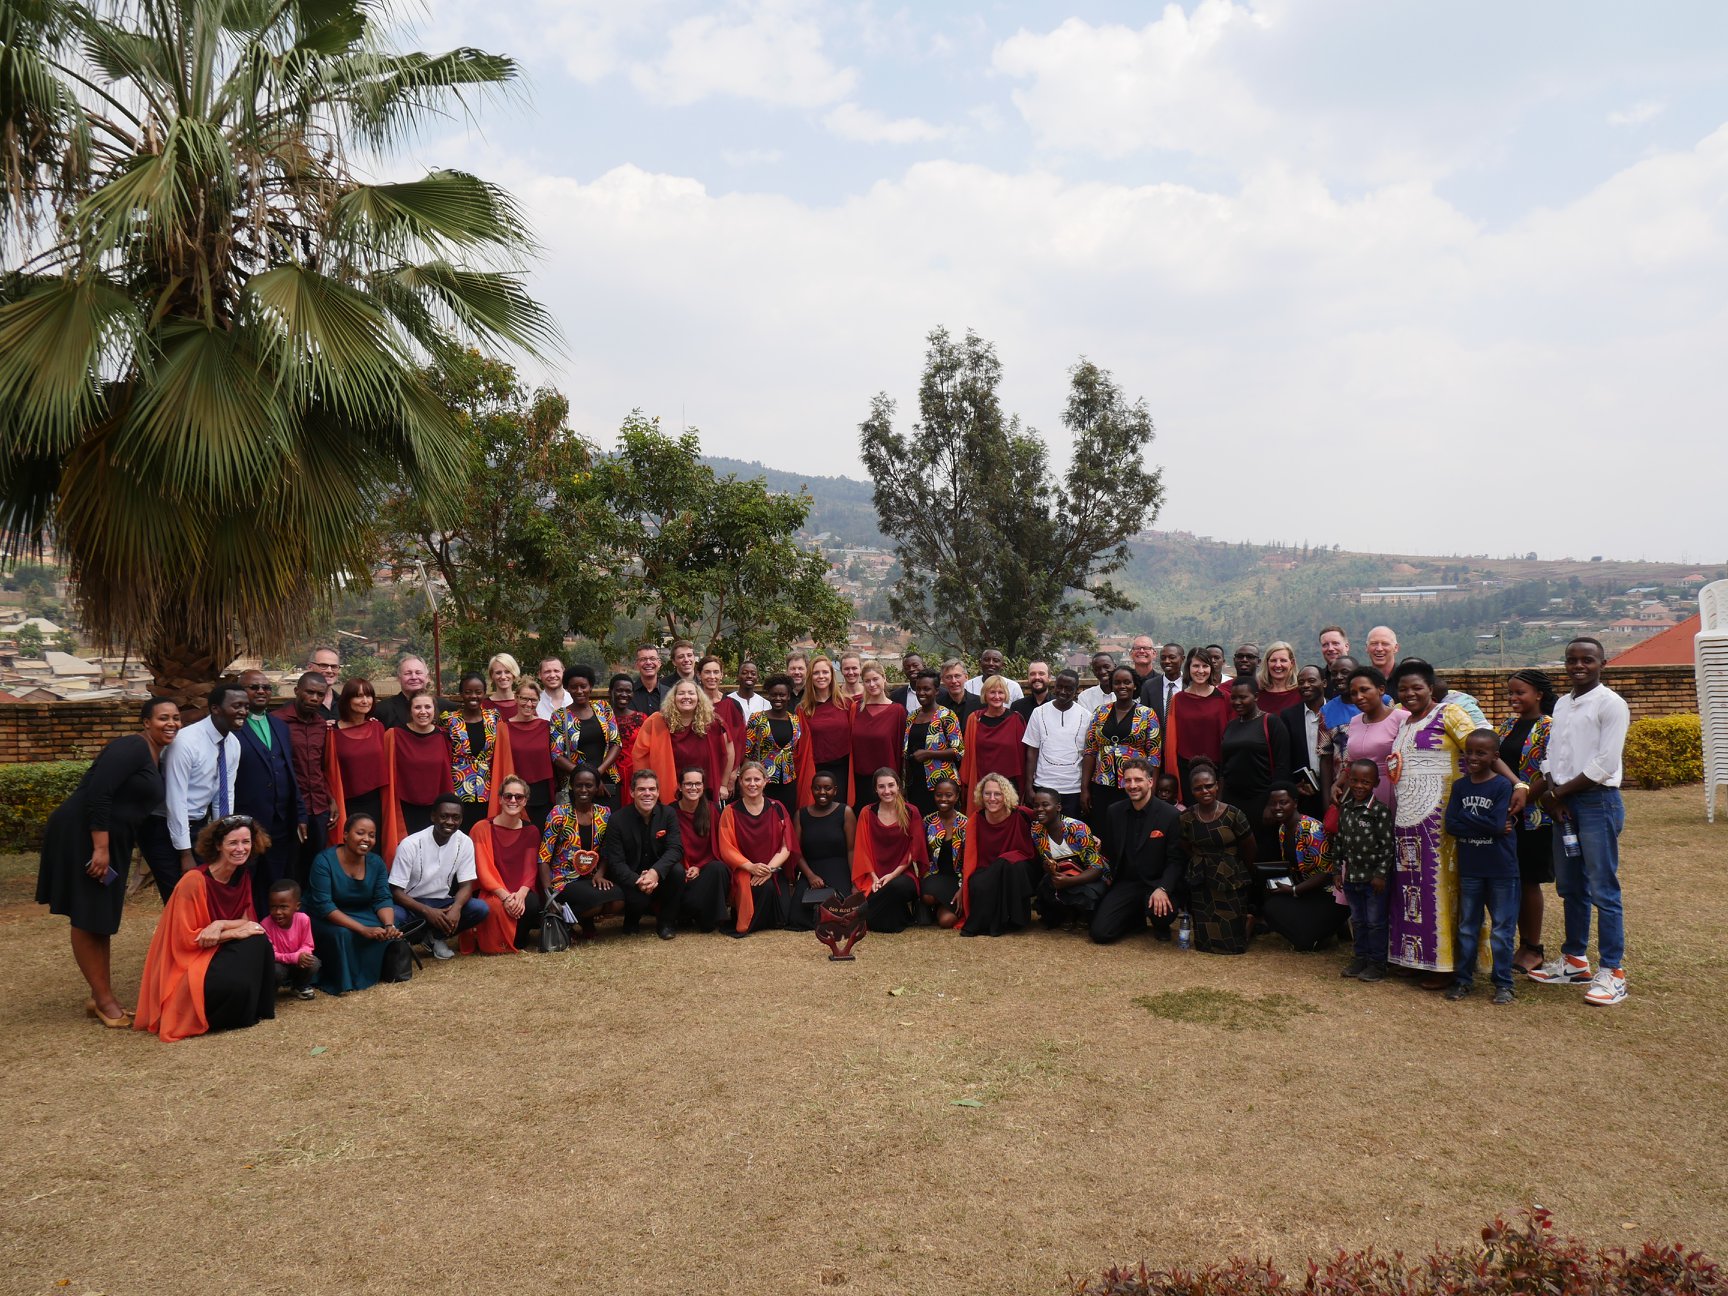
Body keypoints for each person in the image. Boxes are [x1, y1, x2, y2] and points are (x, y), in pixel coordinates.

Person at [36, 697, 182, 1026]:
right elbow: (99, 792)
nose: (171, 723)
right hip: (84, 836)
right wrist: (100, 848)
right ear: (146, 722)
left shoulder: (156, 754)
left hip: (111, 841)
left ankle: (101, 994)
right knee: (88, 914)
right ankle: (104, 1001)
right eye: (162, 718)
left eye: (176, 718)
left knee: (102, 915)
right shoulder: (131, 746)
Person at [1386, 659, 1525, 989]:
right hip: (1408, 822)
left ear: (1431, 688)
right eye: (1403, 689)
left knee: (1440, 892)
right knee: (1412, 893)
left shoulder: (1449, 713)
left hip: (1442, 822)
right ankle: (1418, 958)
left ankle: (1446, 966)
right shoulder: (1404, 723)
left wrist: (1517, 784)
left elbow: (1484, 750)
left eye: (1417, 687)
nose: (1410, 694)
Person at [1528, 637, 1630, 1006]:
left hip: (1596, 802)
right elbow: (1553, 754)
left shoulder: (1611, 704)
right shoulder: (1563, 703)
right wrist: (1552, 793)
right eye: (1572, 660)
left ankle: (1613, 972)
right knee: (1570, 886)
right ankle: (1574, 960)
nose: (1579, 666)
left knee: (1603, 888)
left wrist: (1560, 793)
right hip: (1563, 802)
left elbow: (1604, 763)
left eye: (1588, 660)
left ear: (1603, 663)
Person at [134, 814, 276, 1042]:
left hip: (219, 948)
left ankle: (251, 1009)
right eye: (233, 843)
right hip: (191, 959)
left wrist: (220, 925)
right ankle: (214, 1014)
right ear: (218, 845)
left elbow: (247, 920)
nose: (241, 848)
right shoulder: (194, 881)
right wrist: (232, 932)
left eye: (246, 842)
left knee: (258, 940)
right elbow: (187, 940)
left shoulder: (242, 874)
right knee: (240, 968)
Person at [1443, 731, 1520, 1005]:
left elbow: (1500, 825)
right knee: (1467, 927)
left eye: (1481, 753)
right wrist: (1485, 821)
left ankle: (1503, 983)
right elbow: (1451, 824)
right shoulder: (1462, 786)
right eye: (1469, 752)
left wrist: (1467, 817)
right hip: (1471, 867)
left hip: (1501, 868)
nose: (1473, 757)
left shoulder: (1501, 786)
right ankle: (1463, 980)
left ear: (1495, 757)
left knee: (1502, 929)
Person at [158, 681, 248, 903]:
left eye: (245, 706)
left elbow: (224, 795)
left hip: (198, 825)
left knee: (204, 894)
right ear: (215, 708)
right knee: (180, 898)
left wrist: (224, 837)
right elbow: (175, 799)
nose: (243, 711)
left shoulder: (233, 744)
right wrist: (185, 853)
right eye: (236, 705)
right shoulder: (186, 743)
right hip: (166, 828)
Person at [1495, 669, 1557, 974]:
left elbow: (1552, 771)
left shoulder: (1549, 727)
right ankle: (1513, 943)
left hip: (1534, 815)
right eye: (1511, 693)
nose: (1514, 698)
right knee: (1511, 879)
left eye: (1520, 692)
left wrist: (1525, 795)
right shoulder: (1508, 725)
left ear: (1539, 695)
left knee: (1529, 879)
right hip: (1506, 812)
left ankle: (1532, 947)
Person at [1089, 758, 1185, 944]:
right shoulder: (1114, 812)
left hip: (1157, 883)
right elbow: (1110, 850)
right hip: (1127, 883)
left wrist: (1163, 888)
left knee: (1162, 913)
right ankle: (1135, 921)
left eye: (1138, 780)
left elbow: (1176, 860)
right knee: (1100, 933)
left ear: (1150, 782)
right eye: (1128, 780)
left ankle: (1161, 925)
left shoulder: (1171, 815)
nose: (1133, 785)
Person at [307, 811, 402, 994]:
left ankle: (378, 972)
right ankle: (342, 980)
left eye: (372, 835)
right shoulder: (323, 861)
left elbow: (382, 898)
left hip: (361, 911)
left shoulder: (376, 863)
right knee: (343, 934)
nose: (366, 839)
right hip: (325, 917)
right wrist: (362, 929)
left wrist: (388, 924)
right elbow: (324, 906)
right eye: (360, 833)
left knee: (390, 927)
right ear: (345, 835)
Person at [235, 670, 303, 913]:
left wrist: (300, 814)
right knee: (247, 880)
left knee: (276, 879)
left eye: (266, 687)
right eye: (254, 687)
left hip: (280, 821)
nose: (261, 691)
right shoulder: (232, 728)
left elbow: (290, 772)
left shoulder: (279, 725)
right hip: (246, 822)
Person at [389, 794, 488, 960]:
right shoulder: (410, 844)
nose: (450, 822)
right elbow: (396, 891)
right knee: (391, 916)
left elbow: (466, 886)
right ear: (433, 816)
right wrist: (427, 911)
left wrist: (456, 908)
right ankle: (411, 941)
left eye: (456, 817)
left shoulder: (464, 842)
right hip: (410, 904)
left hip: (442, 903)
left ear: (462, 819)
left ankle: (436, 937)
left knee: (480, 908)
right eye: (444, 816)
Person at [1175, 760, 1256, 954]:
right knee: (1204, 941)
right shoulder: (1186, 817)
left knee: (1232, 942)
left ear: (1217, 786)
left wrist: (1241, 869)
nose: (1205, 791)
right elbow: (1185, 845)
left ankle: (1248, 924)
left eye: (1209, 786)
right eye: (1198, 788)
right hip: (1201, 877)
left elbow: (1250, 847)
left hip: (1230, 876)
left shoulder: (1233, 814)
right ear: (1191, 790)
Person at [1258, 783, 1348, 951]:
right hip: (1306, 892)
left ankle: (1324, 932)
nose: (1277, 807)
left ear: (1295, 803)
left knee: (1303, 939)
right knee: (1271, 907)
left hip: (1329, 894)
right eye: (1273, 803)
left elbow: (1327, 873)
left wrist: (1294, 890)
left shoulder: (1311, 829)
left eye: (1283, 802)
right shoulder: (1283, 829)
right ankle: (1317, 933)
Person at [1329, 759, 1394, 981]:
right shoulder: (1345, 809)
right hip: (1352, 877)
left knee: (1375, 923)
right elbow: (1339, 842)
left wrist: (1380, 875)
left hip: (1373, 881)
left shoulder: (1380, 811)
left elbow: (1387, 847)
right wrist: (1337, 870)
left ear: (1375, 783)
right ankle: (1360, 958)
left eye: (1365, 782)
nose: (1358, 786)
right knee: (1357, 920)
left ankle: (1377, 964)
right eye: (1354, 780)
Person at [604, 767, 687, 939]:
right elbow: (616, 862)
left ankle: (666, 923)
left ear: (658, 792)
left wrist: (654, 873)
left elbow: (675, 849)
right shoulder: (617, 820)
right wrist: (638, 880)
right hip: (631, 877)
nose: (647, 793)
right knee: (638, 900)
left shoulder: (668, 814)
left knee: (677, 872)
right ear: (632, 792)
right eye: (642, 789)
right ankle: (632, 920)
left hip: (658, 874)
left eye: (652, 789)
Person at [540, 766, 620, 940]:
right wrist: (548, 895)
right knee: (596, 902)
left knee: (618, 900)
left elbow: (607, 849)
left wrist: (600, 874)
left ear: (597, 787)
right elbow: (544, 857)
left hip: (591, 878)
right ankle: (564, 919)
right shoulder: (558, 814)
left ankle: (584, 922)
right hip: (564, 879)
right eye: (579, 785)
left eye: (589, 785)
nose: (583, 790)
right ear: (572, 786)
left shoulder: (604, 814)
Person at [467, 774, 544, 953]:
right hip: (492, 890)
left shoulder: (531, 831)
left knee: (532, 903)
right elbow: (483, 870)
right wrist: (506, 897)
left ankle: (518, 938)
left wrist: (521, 894)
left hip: (519, 890)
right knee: (493, 907)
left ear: (525, 801)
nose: (513, 800)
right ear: (500, 799)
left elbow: (530, 869)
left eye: (519, 797)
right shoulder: (481, 828)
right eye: (508, 796)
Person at [275, 672, 336, 892]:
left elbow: (321, 766)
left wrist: (330, 798)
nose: (314, 698)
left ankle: (313, 916)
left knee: (316, 864)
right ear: (297, 691)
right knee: (290, 865)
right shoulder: (278, 722)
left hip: (318, 807)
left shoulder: (321, 725)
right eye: (309, 692)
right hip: (290, 808)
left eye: (320, 694)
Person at [957, 772, 1036, 937]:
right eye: (987, 793)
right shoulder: (976, 820)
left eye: (997, 794)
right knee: (978, 883)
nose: (992, 798)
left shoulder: (1022, 814)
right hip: (985, 868)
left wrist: (1084, 834)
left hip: (1019, 869)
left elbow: (1050, 819)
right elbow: (968, 857)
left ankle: (1016, 920)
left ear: (1006, 795)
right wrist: (963, 885)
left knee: (1009, 864)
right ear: (981, 795)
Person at [717, 762, 792, 936]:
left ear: (765, 781)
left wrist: (768, 870)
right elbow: (726, 847)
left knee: (785, 917)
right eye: (747, 779)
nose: (752, 784)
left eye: (757, 779)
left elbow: (786, 845)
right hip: (745, 871)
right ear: (740, 782)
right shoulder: (730, 811)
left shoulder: (777, 807)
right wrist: (751, 867)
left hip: (772, 869)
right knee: (763, 890)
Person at [1219, 679, 1290, 860]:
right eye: (1233, 698)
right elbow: (1224, 766)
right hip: (1233, 800)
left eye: (1243, 697)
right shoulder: (1231, 725)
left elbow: (1282, 766)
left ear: (1256, 697)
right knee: (1235, 851)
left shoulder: (1271, 722)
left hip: (1261, 800)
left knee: (1263, 852)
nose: (1237, 702)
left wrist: (1271, 805)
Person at [1080, 666, 1159, 827]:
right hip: (1102, 785)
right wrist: (1085, 789)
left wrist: (1152, 791)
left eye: (1127, 682)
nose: (1122, 686)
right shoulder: (1100, 712)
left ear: (1135, 685)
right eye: (1117, 683)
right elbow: (1090, 751)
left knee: (1132, 830)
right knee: (1104, 830)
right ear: (1112, 686)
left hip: (1134, 785)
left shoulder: (1147, 714)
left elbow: (1155, 757)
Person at [633, 679, 733, 806]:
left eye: (691, 693)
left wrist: (724, 784)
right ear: (673, 698)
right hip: (667, 792)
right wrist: (646, 787)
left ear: (699, 698)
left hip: (704, 790)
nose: (686, 697)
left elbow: (729, 752)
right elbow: (640, 756)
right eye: (681, 693)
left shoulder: (712, 722)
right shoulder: (657, 722)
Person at [852, 768, 927, 933]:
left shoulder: (911, 811)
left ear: (899, 786)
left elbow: (914, 851)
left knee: (896, 887)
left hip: (901, 875)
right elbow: (862, 848)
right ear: (875, 789)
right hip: (874, 876)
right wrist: (874, 878)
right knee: (889, 924)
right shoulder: (867, 812)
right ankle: (903, 916)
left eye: (891, 785)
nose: (887, 791)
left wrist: (892, 876)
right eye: (881, 787)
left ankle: (854, 917)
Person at [443, 672, 515, 832]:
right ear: (461, 693)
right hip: (458, 787)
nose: (473, 696)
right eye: (468, 692)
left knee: (484, 831)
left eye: (478, 691)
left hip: (487, 788)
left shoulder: (494, 717)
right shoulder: (450, 720)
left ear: (484, 693)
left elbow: (502, 750)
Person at [382, 691, 453, 852]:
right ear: (410, 710)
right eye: (417, 707)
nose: (423, 711)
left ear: (434, 710)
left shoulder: (444, 736)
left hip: (435, 810)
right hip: (404, 808)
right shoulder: (394, 735)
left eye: (428, 706)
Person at [788, 769, 857, 932]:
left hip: (839, 869)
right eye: (817, 788)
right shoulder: (801, 815)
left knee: (842, 912)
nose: (822, 792)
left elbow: (852, 850)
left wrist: (854, 882)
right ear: (811, 789)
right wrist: (810, 876)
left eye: (827, 788)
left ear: (835, 790)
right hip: (811, 870)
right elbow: (796, 852)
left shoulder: (845, 812)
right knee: (797, 917)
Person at [1028, 788, 1108, 930]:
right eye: (1036, 805)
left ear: (1058, 807)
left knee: (1087, 893)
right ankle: (1069, 913)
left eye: (1045, 805)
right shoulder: (1036, 830)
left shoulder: (1077, 828)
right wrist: (1049, 868)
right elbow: (1046, 861)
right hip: (1063, 873)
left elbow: (1097, 868)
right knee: (1045, 887)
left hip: (1088, 875)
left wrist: (1069, 881)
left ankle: (1083, 913)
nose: (1039, 809)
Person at [327, 677, 391, 843]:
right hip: (345, 803)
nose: (365, 701)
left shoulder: (378, 727)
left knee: (372, 847)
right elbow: (326, 770)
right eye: (358, 696)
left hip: (375, 802)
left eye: (368, 696)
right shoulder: (331, 732)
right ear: (347, 700)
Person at [1163, 647, 1231, 800]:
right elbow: (1172, 739)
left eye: (1205, 666)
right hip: (1185, 768)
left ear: (1211, 668)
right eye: (1196, 666)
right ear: (1188, 668)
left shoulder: (1224, 698)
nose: (1201, 671)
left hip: (1216, 769)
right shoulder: (1178, 699)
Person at [669, 767, 730, 932]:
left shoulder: (713, 810)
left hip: (705, 871)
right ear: (680, 787)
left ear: (703, 787)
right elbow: (668, 848)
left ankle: (709, 918)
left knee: (719, 868)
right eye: (688, 784)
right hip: (680, 872)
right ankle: (687, 913)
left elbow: (719, 847)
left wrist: (700, 866)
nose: (693, 788)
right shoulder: (669, 812)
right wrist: (685, 867)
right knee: (675, 873)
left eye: (697, 784)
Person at [550, 665, 623, 801]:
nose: (579, 691)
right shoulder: (559, 716)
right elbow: (557, 755)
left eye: (583, 686)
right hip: (577, 785)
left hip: (607, 779)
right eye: (574, 687)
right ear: (567, 688)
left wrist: (596, 774)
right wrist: (585, 777)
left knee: (610, 821)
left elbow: (616, 744)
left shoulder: (604, 708)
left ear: (590, 687)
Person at [1022, 670, 1089, 817]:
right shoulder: (1038, 713)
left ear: (1077, 690)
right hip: (1043, 786)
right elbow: (1032, 752)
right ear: (1054, 686)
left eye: (1069, 688)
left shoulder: (1086, 716)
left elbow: (1088, 756)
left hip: (1073, 789)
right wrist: (1028, 787)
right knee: (1041, 835)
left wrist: (1085, 790)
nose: (1063, 691)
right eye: (1059, 686)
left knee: (1070, 834)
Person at [1334, 667, 1403, 808]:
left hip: (1393, 790)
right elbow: (1351, 762)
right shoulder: (1354, 721)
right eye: (1353, 693)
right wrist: (1338, 783)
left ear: (1381, 689)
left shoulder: (1401, 718)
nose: (1359, 697)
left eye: (1364, 690)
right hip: (1359, 793)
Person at [902, 670, 964, 818]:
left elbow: (958, 751)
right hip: (915, 783)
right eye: (918, 689)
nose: (921, 693)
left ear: (936, 691)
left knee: (939, 827)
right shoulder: (912, 716)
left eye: (926, 689)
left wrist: (928, 753)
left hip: (940, 785)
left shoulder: (946, 716)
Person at [959, 675, 1028, 806]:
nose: (997, 696)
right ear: (985, 694)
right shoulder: (974, 719)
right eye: (992, 692)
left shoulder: (1016, 719)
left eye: (1000, 692)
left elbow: (1022, 757)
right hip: (982, 784)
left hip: (1010, 786)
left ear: (1006, 694)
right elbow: (968, 755)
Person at [794, 656, 852, 807]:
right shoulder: (803, 709)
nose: (821, 676)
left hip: (842, 769)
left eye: (825, 672)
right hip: (815, 769)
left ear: (832, 675)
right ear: (810, 677)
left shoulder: (846, 704)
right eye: (816, 673)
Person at [1280, 665, 1334, 819]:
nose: (1305, 685)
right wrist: (1293, 786)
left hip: (1335, 788)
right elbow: (1285, 756)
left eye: (1311, 680)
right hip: (1304, 792)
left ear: (1324, 683)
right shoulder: (1288, 716)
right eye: (1301, 682)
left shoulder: (1335, 711)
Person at [850, 661, 905, 808]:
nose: (872, 684)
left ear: (884, 678)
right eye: (867, 681)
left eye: (875, 679)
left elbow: (900, 750)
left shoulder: (897, 711)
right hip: (859, 781)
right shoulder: (855, 708)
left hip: (887, 784)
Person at [745, 674, 802, 815]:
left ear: (789, 696)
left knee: (786, 819)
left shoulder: (795, 720)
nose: (778, 698)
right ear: (768, 696)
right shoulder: (757, 718)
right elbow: (747, 751)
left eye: (782, 695)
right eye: (774, 694)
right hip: (763, 782)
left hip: (788, 781)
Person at [504, 678, 556, 826]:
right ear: (516, 698)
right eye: (524, 698)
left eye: (533, 700)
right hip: (514, 793)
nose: (528, 704)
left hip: (541, 793)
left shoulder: (546, 726)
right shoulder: (504, 728)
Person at [920, 778, 966, 928]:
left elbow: (970, 860)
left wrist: (963, 888)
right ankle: (928, 903)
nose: (943, 799)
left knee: (947, 922)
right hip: (935, 876)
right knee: (927, 897)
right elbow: (922, 854)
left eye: (948, 795)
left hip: (957, 879)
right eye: (939, 795)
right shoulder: (927, 821)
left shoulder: (966, 824)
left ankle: (939, 907)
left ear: (957, 796)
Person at [264, 878, 319, 1000]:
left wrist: (302, 956)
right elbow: (271, 954)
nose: (277, 912)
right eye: (273, 907)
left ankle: (299, 986)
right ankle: (270, 991)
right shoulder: (265, 924)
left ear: (297, 906)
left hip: (297, 963)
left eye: (283, 907)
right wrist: (295, 957)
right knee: (274, 970)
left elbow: (308, 945)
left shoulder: (303, 919)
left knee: (313, 962)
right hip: (278, 963)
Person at [698, 655, 747, 791]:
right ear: (699, 675)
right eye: (707, 672)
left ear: (721, 675)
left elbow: (739, 742)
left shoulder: (732, 705)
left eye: (716, 672)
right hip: (699, 771)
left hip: (726, 771)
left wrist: (732, 775)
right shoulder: (693, 704)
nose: (712, 676)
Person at [375, 656, 436, 729]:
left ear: (427, 677)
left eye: (418, 673)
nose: (414, 677)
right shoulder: (381, 710)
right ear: (399, 678)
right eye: (408, 673)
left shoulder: (445, 707)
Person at [609, 675, 646, 787]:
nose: (624, 694)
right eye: (619, 690)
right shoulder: (602, 718)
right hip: (609, 774)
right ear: (610, 692)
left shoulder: (642, 719)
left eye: (628, 691)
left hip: (635, 773)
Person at [1139, 642, 1185, 728]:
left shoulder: (1191, 685)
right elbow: (1144, 718)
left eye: (1172, 657)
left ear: (1182, 659)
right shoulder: (1149, 686)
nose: (1167, 661)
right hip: (1156, 739)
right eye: (1163, 658)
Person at [1255, 642, 1302, 715]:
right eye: (1273, 660)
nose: (1278, 665)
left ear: (1292, 663)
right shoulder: (1256, 692)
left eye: (1283, 660)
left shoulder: (1301, 693)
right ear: (1267, 663)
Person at [937, 658, 982, 726]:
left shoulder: (980, 704)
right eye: (948, 677)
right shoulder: (937, 704)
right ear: (942, 680)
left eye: (957, 676)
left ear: (966, 677)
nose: (953, 681)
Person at [306, 646, 341, 722]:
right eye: (323, 666)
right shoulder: (296, 707)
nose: (329, 670)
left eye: (334, 666)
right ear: (310, 667)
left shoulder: (346, 704)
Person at [631, 645, 668, 716]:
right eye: (643, 659)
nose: (648, 662)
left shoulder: (669, 693)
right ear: (637, 664)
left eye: (652, 659)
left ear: (659, 663)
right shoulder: (628, 693)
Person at [535, 656, 573, 720]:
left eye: (556, 671)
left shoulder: (573, 700)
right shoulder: (534, 704)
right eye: (547, 671)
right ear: (539, 675)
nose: (552, 675)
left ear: (563, 673)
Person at [485, 653, 521, 718]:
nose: (503, 676)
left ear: (514, 673)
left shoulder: (524, 704)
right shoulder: (484, 706)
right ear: (491, 676)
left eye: (507, 672)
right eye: (498, 673)